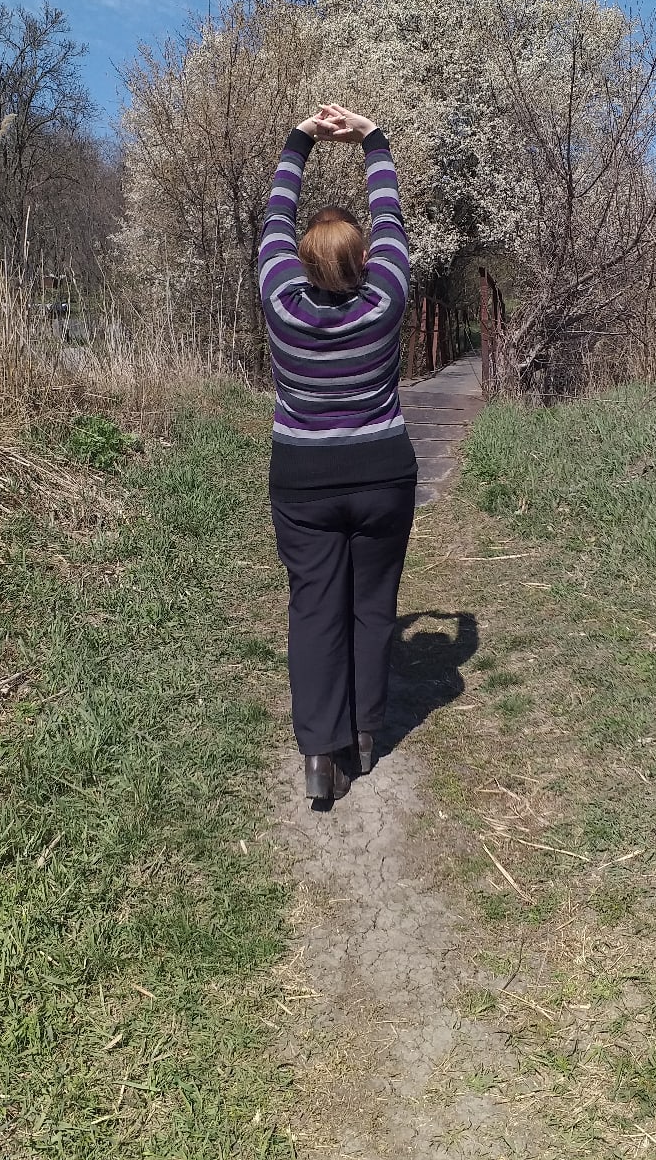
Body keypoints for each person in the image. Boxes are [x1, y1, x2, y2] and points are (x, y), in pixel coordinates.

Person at [258, 103, 418, 802]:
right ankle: (364, 734)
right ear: (364, 261)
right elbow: (391, 221)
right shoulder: (385, 301)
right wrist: (371, 140)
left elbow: (274, 219)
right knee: (372, 604)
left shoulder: (281, 303)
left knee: (314, 608)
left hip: (304, 481)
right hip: (382, 475)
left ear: (301, 262)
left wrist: (300, 139)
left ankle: (320, 758)